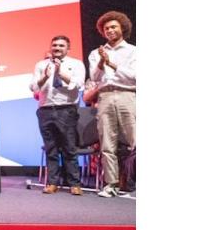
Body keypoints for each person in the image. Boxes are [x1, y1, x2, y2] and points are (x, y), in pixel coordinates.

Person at [29, 35, 86, 196]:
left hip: (66, 109)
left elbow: (78, 84)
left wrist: (60, 72)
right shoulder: (41, 65)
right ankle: (52, 182)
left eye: (61, 46)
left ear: (68, 48)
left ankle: (74, 183)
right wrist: (46, 76)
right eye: (54, 45)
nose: (57, 48)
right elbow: (33, 87)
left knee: (69, 147)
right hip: (45, 109)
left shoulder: (76, 64)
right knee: (51, 148)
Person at [88, 11, 136, 198]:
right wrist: (102, 61)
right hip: (105, 96)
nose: (110, 30)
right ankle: (111, 184)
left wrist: (113, 64)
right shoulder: (96, 53)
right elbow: (94, 77)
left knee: (135, 141)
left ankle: (135, 182)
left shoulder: (133, 51)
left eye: (113, 26)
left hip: (127, 95)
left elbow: (135, 76)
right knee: (107, 142)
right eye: (106, 28)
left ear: (122, 28)